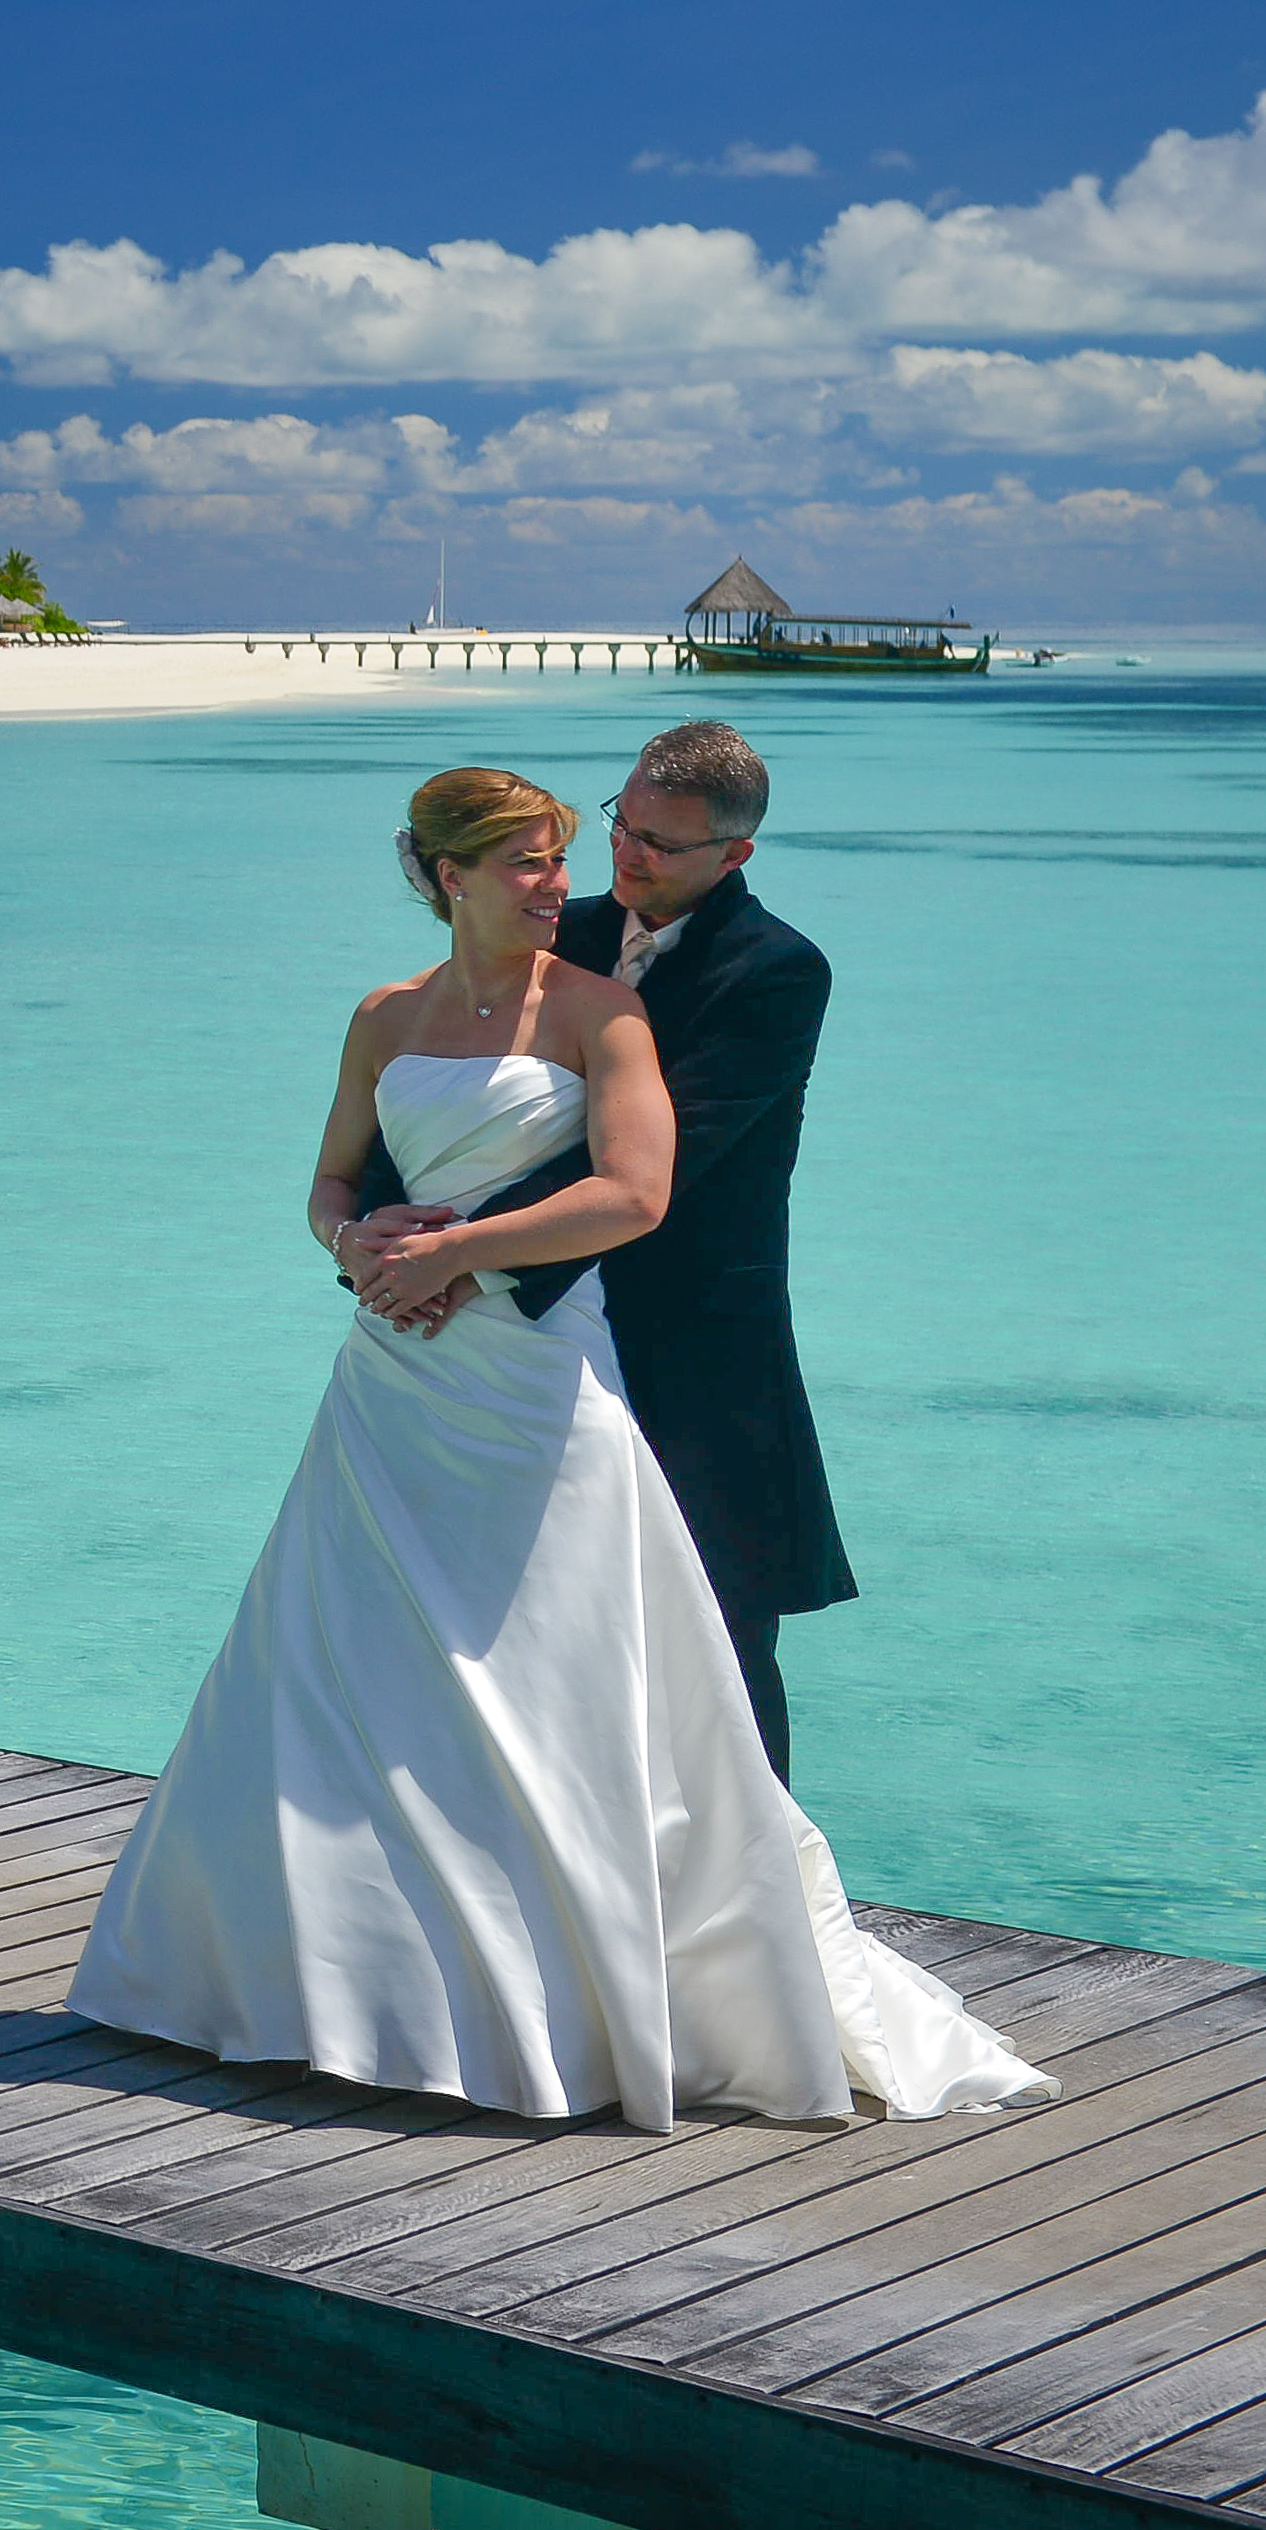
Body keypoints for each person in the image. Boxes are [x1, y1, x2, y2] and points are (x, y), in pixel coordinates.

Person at [62, 766, 1046, 2129]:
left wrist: (450, 1252)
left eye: (593, 852)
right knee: (348, 1662)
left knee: (592, 1665)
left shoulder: (641, 999)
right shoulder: (390, 1010)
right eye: (544, 855)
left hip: (568, 1366)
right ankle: (319, 1986)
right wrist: (353, 1245)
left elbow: (642, 1187)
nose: (576, 877)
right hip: (395, 1380)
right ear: (443, 871)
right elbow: (337, 1175)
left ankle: (620, 1979)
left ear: (725, 850)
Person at [343, 719, 843, 1777]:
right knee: (516, 1622)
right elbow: (446, 1086)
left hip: (692, 1347)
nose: (627, 855)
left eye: (662, 842)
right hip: (508, 1352)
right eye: (623, 824)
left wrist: (458, 1253)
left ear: (734, 855)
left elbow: (677, 1157)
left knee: (717, 1634)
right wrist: (382, 1235)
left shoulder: (777, 971)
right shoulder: (545, 925)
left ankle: (757, 1908)